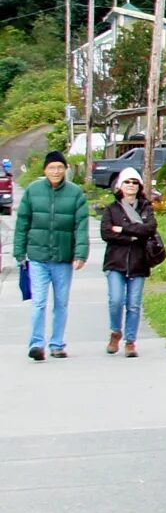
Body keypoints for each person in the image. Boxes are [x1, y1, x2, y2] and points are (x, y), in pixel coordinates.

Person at [15, 150, 89, 361]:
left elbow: (81, 226)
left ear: (66, 169)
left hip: (63, 258)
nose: (56, 171)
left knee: (61, 303)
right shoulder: (33, 191)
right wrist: (19, 251)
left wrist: (80, 253)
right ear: (45, 170)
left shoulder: (75, 193)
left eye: (59, 167)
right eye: (51, 167)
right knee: (38, 302)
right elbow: (22, 223)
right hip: (38, 256)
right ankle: (37, 344)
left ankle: (57, 344)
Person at [99, 169, 160, 357]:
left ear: (139, 186)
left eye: (135, 182)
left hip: (138, 262)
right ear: (120, 186)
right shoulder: (112, 209)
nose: (131, 185)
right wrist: (133, 235)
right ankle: (115, 332)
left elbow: (149, 229)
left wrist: (122, 230)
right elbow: (106, 233)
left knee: (133, 304)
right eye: (127, 182)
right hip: (115, 262)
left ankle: (131, 341)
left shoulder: (145, 208)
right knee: (116, 300)